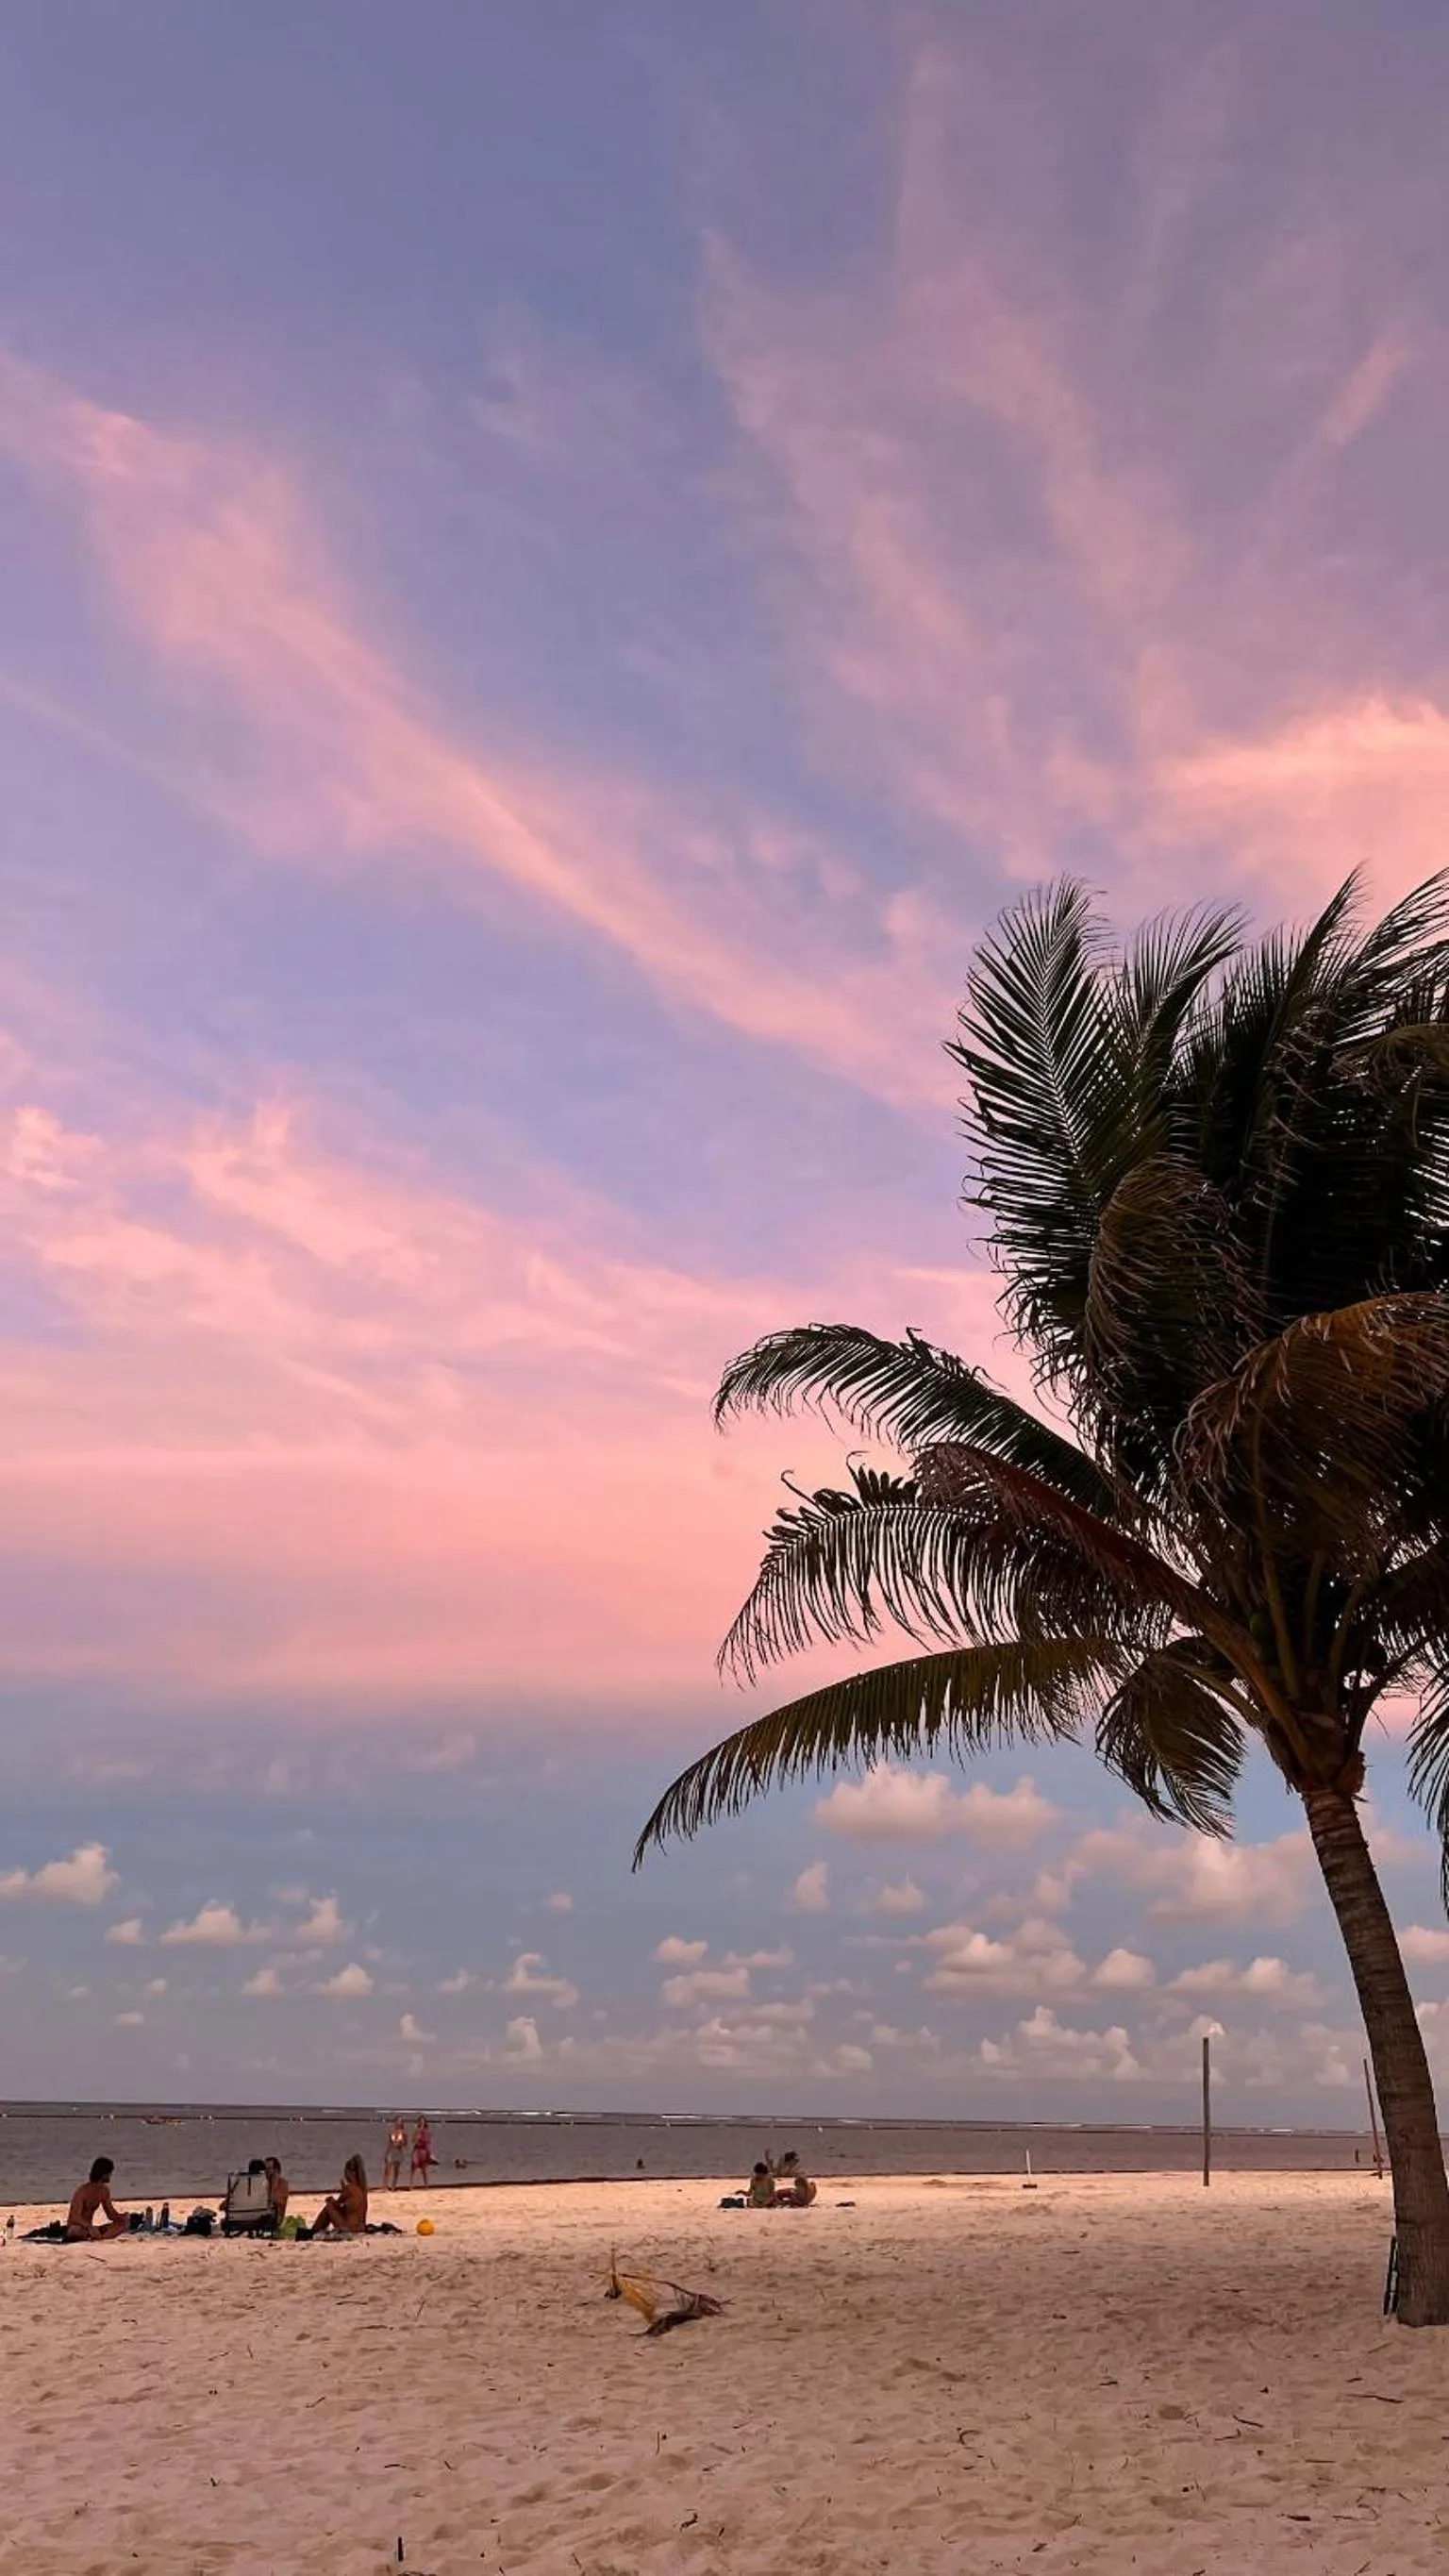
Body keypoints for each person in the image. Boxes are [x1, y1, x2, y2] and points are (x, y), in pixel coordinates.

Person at [66, 2156, 129, 2240]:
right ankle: (96, 2235)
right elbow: (75, 2216)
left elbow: (111, 2215)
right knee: (77, 2230)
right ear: (103, 2174)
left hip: (91, 2229)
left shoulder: (104, 2190)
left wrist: (123, 2217)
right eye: (109, 2173)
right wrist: (88, 2226)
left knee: (122, 2225)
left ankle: (97, 2235)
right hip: (78, 2227)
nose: (110, 2175)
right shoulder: (82, 2191)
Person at [310, 2154, 368, 2236]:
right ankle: (316, 2230)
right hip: (360, 2227)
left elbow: (337, 2204)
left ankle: (314, 2231)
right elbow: (348, 2207)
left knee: (329, 2207)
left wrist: (330, 2200)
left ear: (349, 2173)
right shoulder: (362, 2190)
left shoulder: (349, 2188)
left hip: (349, 2228)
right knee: (333, 2208)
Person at [409, 2115, 434, 2187]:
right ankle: (411, 2185)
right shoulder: (416, 2130)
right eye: (420, 2121)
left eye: (422, 2121)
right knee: (414, 2167)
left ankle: (426, 2185)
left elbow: (428, 2142)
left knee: (424, 2169)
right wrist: (418, 2132)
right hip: (417, 2149)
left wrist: (429, 2152)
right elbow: (413, 2140)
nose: (421, 2122)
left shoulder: (427, 2131)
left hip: (424, 2150)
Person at [383, 2116, 407, 2191]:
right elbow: (389, 2143)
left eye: (400, 2121)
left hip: (398, 2151)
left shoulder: (403, 2133)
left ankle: (393, 2187)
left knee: (396, 2170)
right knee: (387, 2170)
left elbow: (405, 2144)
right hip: (391, 2150)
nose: (398, 2123)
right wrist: (386, 2153)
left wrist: (401, 2143)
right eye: (397, 2121)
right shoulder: (392, 2132)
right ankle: (385, 2186)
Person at [264, 2156, 290, 2223]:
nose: (266, 2171)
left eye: (269, 2169)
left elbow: (279, 2202)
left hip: (275, 2217)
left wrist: (273, 2183)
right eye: (265, 2169)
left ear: (276, 2170)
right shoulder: (262, 2183)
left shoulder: (283, 2184)